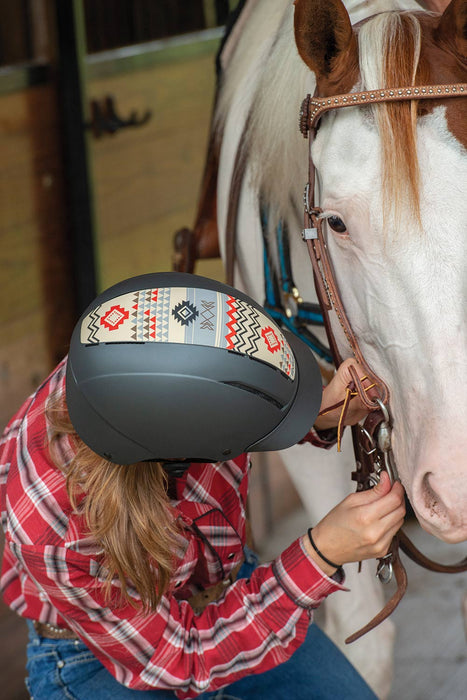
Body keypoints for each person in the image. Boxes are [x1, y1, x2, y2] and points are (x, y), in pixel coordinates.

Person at [0, 272, 405, 700]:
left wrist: (320, 410)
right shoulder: (51, 523)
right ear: (177, 454)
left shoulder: (154, 347)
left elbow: (236, 404)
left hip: (224, 588)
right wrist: (322, 553)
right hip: (106, 647)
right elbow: (184, 655)